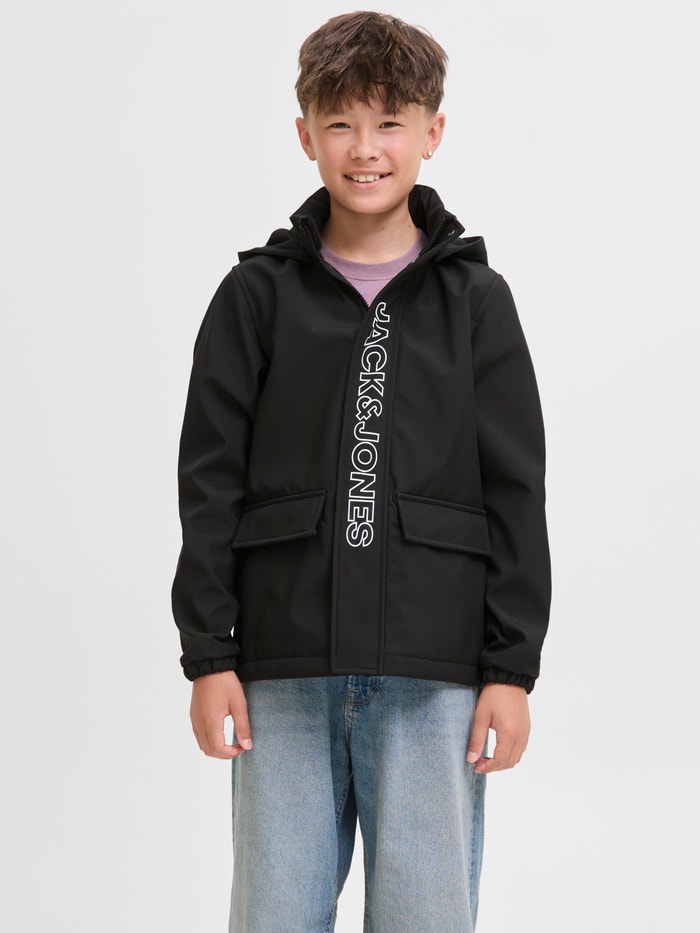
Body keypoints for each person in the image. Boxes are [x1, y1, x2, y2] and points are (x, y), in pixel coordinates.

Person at [171, 11, 551, 932]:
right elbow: (209, 481)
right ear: (305, 135)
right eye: (340, 123)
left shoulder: (475, 301)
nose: (365, 149)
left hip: (434, 675)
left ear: (433, 132)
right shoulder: (256, 296)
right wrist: (210, 654)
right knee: (274, 914)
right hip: (283, 672)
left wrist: (510, 668)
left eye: (389, 123)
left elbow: (516, 490)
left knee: (425, 915)